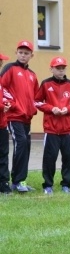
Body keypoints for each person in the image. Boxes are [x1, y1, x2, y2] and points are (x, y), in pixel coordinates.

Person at [34, 56, 70, 194]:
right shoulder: (46, 84)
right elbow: (37, 102)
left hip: (67, 129)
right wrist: (51, 108)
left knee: (67, 158)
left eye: (63, 68)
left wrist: (68, 110)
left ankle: (66, 184)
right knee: (50, 159)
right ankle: (48, 185)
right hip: (51, 129)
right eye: (58, 68)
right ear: (51, 69)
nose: (60, 71)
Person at [0, 40, 39, 192]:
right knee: (21, 143)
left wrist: (33, 108)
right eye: (21, 53)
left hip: (27, 117)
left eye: (26, 53)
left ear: (31, 55)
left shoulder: (32, 74)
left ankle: (20, 180)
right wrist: (13, 104)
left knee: (26, 146)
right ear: (16, 53)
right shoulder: (10, 68)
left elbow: (35, 95)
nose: (23, 56)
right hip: (14, 115)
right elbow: (2, 88)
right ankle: (16, 181)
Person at [0, 51, 11, 195]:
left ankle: (3, 183)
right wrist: (3, 106)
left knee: (3, 154)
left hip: (2, 124)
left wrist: (7, 102)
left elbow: (6, 96)